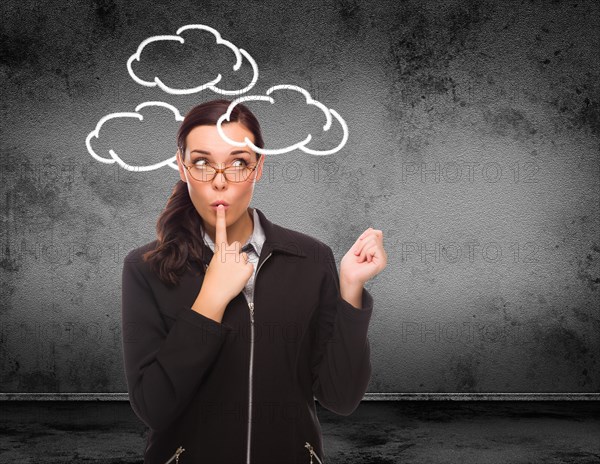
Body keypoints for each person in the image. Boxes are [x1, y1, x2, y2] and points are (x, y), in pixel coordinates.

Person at [121, 99, 387, 464]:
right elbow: (153, 406)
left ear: (259, 167)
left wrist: (351, 291)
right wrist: (210, 300)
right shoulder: (145, 267)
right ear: (181, 167)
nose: (219, 181)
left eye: (238, 163)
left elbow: (340, 397)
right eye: (202, 162)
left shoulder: (311, 258)